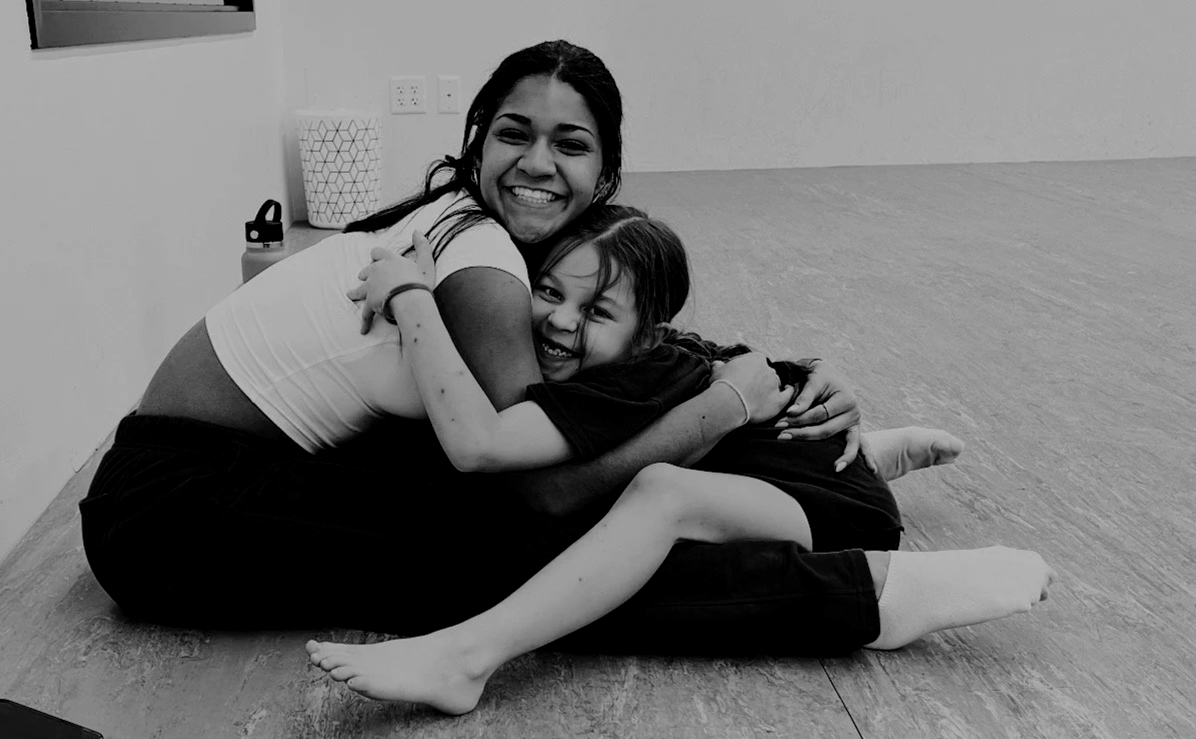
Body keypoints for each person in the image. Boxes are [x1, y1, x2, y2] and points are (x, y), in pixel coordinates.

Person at [78, 39, 1050, 662]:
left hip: (253, 467)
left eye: (570, 144)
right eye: (513, 133)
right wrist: (721, 408)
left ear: (607, 171)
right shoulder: (479, 259)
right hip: (175, 513)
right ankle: (863, 598)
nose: (538, 161)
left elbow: (619, 360)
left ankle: (801, 474)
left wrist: (784, 380)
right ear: (474, 141)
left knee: (580, 413)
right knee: (531, 543)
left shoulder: (493, 240)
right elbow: (540, 487)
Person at [304, 204, 1053, 714]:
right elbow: (744, 363)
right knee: (676, 467)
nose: (559, 322)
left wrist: (412, 294)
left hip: (823, 514)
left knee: (663, 490)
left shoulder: (624, 380)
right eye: (547, 291)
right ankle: (872, 457)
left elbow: (478, 444)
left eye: (597, 312)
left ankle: (467, 657)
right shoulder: (660, 355)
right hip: (794, 466)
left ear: (645, 332)